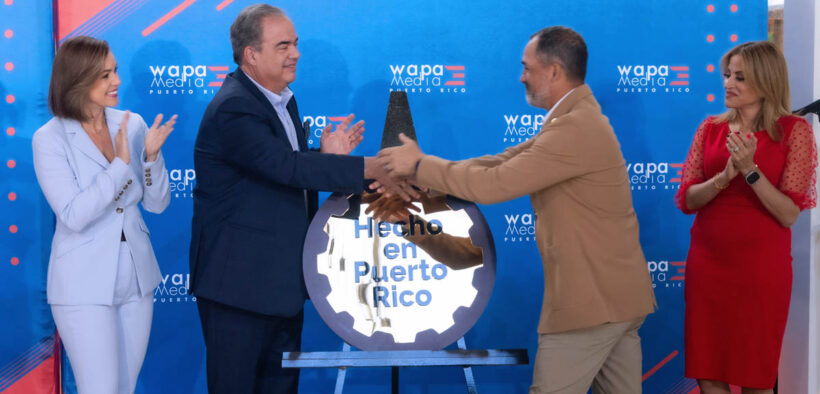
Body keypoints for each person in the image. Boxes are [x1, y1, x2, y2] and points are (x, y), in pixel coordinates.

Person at [378, 26, 656, 393]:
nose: (520, 76)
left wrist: (418, 165)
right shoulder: (573, 120)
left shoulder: (575, 127)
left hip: (591, 307)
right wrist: (425, 178)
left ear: (554, 71)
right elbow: (499, 162)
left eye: (527, 67)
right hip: (616, 301)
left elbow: (491, 185)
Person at [188, 4, 407, 393]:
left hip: (280, 288)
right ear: (251, 55)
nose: (296, 53)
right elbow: (284, 167)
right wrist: (371, 168)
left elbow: (278, 170)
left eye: (296, 43)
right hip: (239, 291)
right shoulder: (235, 107)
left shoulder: (280, 100)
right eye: (283, 45)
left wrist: (324, 159)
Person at [32, 36, 176, 394]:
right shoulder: (49, 139)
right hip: (82, 283)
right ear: (77, 80)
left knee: (124, 389)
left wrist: (152, 160)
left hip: (137, 279)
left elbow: (157, 204)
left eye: (115, 71)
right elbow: (73, 214)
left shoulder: (132, 123)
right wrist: (119, 166)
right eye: (103, 75)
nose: (116, 82)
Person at [675, 41, 817, 393]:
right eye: (727, 75)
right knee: (708, 370)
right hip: (708, 265)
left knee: (756, 375)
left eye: (739, 77)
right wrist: (723, 179)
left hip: (759, 271)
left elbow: (787, 215)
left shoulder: (793, 131)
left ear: (765, 81)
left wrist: (750, 171)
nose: (728, 83)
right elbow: (688, 199)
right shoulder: (710, 129)